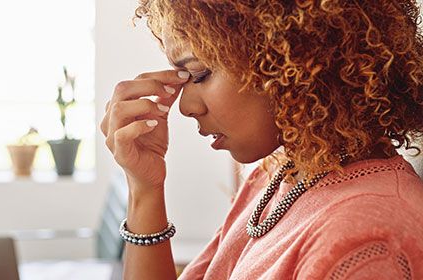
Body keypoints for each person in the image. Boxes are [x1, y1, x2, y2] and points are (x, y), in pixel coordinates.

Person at [100, 0, 423, 279]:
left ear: (291, 55)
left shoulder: (365, 242)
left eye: (200, 75)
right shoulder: (279, 174)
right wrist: (145, 189)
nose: (185, 107)